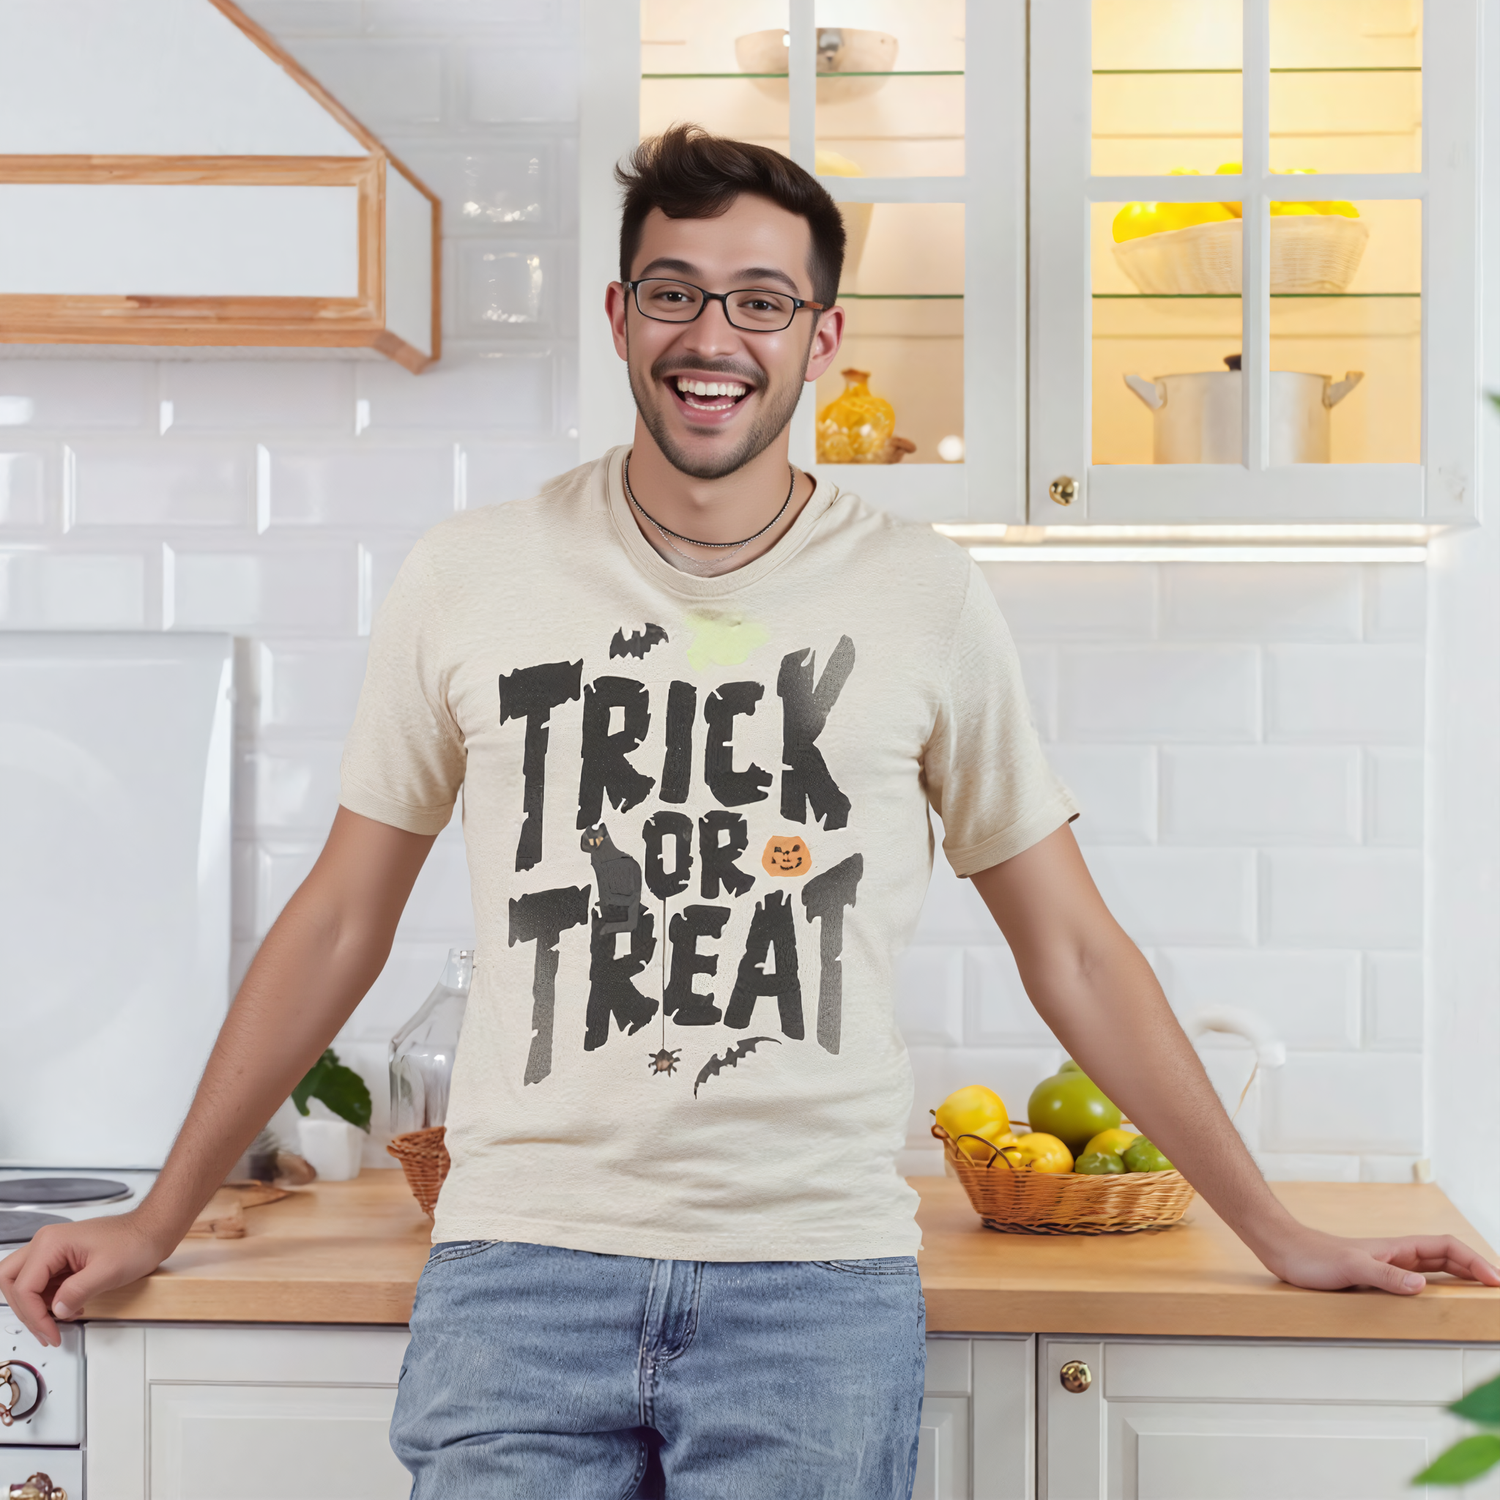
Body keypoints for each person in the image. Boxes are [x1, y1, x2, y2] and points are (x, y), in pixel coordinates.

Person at [2, 124, 1495, 1499]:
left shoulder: (923, 595)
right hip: (523, 1270)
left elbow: (1078, 952)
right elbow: (339, 917)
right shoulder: (468, 575)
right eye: (675, 292)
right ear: (620, 318)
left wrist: (1277, 1230)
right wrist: (158, 1214)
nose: (713, 336)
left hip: (812, 1284)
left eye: (762, 301)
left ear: (822, 336)